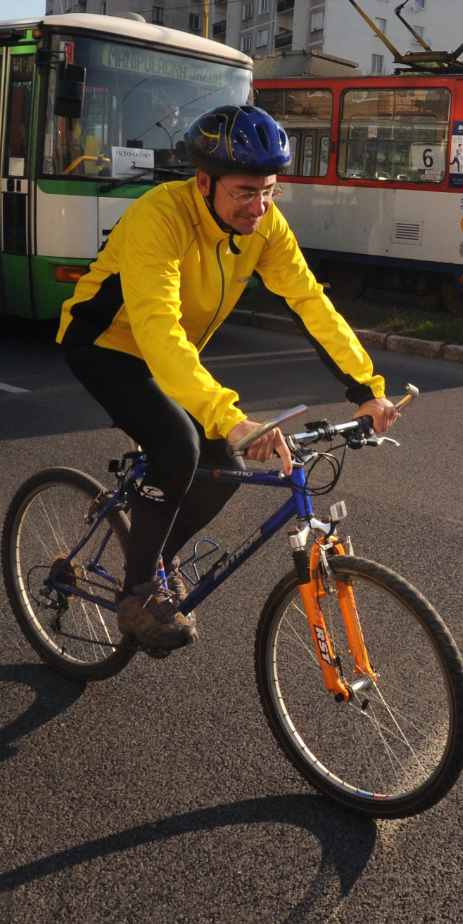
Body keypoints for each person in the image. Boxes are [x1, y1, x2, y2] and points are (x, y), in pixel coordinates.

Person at [57, 104, 398, 650]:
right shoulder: (159, 217)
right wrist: (231, 418)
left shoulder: (264, 227)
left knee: (224, 464)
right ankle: (138, 591)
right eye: (244, 191)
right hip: (107, 345)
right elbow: (158, 330)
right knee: (179, 445)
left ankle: (153, 553)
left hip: (174, 354)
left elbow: (309, 302)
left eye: (269, 190)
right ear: (203, 182)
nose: (258, 206)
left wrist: (367, 388)